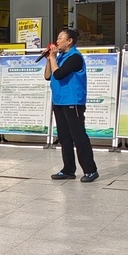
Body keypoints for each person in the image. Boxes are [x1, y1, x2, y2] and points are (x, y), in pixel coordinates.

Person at [44, 28, 99, 183]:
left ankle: (90, 170)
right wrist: (49, 59)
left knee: (78, 136)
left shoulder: (75, 57)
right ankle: (68, 170)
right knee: (64, 137)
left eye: (60, 38)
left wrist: (53, 58)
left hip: (72, 101)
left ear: (69, 41)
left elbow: (59, 74)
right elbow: (48, 76)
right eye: (57, 38)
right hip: (59, 101)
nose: (57, 41)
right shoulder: (60, 57)